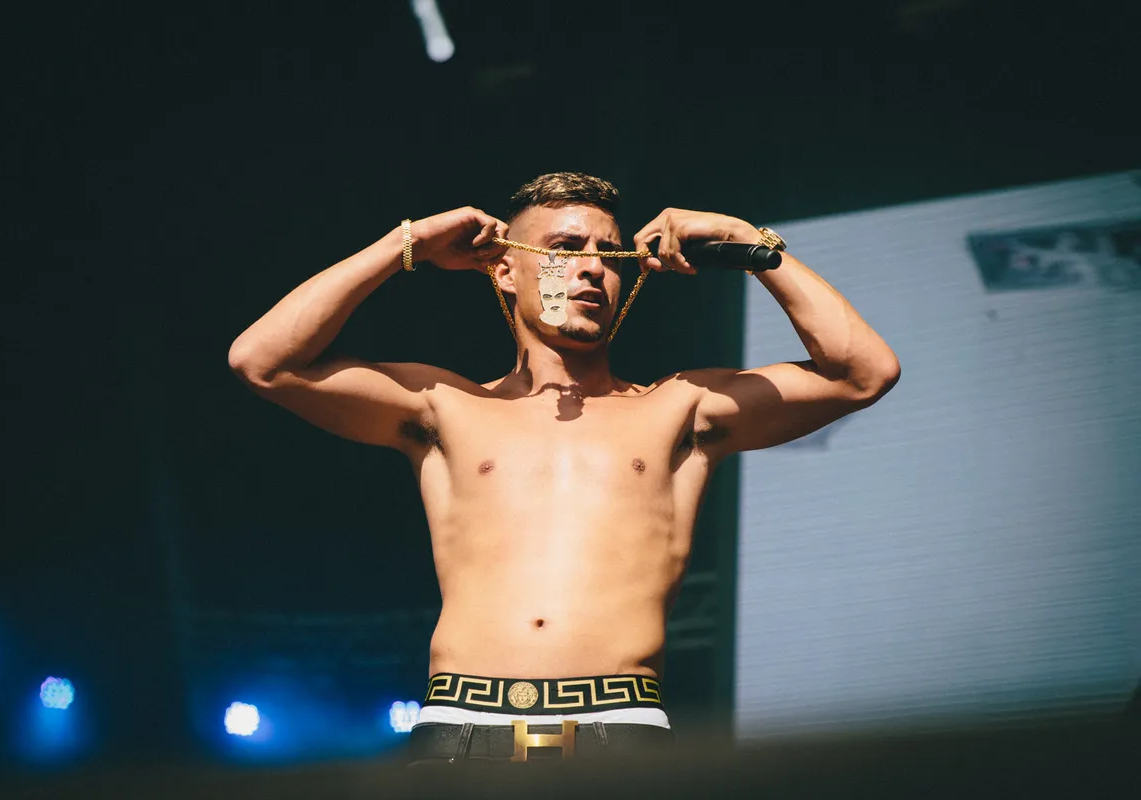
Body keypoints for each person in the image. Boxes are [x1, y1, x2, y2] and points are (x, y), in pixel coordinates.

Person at [227, 172, 900, 765]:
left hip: (620, 726)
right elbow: (262, 362)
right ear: (504, 270)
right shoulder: (446, 406)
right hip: (462, 727)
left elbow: (864, 373)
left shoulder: (678, 407)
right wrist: (409, 242)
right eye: (565, 249)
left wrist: (745, 241)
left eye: (608, 254)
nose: (592, 269)